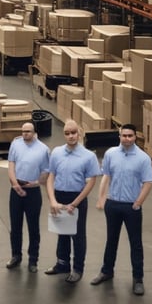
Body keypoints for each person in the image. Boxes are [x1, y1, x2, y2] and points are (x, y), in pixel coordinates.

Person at [90, 124, 152, 296]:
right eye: (124, 135)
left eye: (130, 136)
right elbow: (106, 176)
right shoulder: (111, 154)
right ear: (119, 136)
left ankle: (138, 279)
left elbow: (148, 182)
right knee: (111, 240)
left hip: (131, 206)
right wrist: (101, 198)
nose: (127, 138)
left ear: (135, 137)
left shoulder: (143, 158)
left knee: (135, 243)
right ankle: (107, 271)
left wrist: (138, 202)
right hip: (113, 204)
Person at [44, 120, 101, 284]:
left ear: (79, 133)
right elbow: (51, 176)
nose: (71, 136)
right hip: (59, 196)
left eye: (74, 132)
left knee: (77, 235)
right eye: (67, 133)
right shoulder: (56, 152)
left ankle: (77, 269)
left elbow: (91, 182)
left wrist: (75, 203)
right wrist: (53, 200)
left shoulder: (88, 156)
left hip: (77, 197)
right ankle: (62, 264)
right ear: (64, 135)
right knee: (61, 232)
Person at [6, 122, 50, 273]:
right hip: (16, 190)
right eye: (23, 131)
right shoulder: (15, 145)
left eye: (28, 131)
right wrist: (14, 184)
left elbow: (45, 171)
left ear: (34, 132)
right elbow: (11, 166)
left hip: (33, 192)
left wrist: (36, 182)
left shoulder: (43, 149)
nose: (25, 134)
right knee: (15, 226)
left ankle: (33, 260)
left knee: (33, 228)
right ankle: (16, 255)